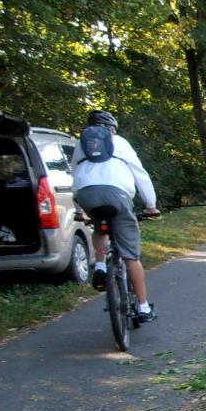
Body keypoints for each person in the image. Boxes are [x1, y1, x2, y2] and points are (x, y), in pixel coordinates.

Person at [71, 110, 160, 323]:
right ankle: (143, 306)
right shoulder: (119, 142)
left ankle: (100, 265)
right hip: (117, 195)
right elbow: (140, 174)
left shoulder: (81, 144)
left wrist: (80, 209)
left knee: (99, 226)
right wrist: (150, 205)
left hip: (85, 194)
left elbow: (75, 174)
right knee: (131, 257)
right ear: (111, 128)